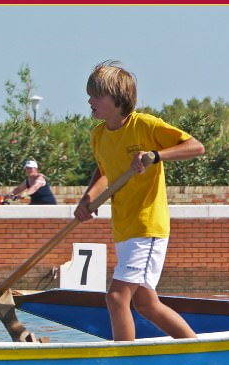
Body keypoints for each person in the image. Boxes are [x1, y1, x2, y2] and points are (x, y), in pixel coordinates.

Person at [74, 60, 204, 342]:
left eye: (96, 96)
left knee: (116, 297)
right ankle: (195, 349)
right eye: (89, 95)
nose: (90, 101)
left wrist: (155, 155)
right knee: (146, 303)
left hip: (147, 227)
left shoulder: (145, 125)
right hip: (124, 228)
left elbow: (196, 147)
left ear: (117, 99)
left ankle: (124, 360)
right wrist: (88, 199)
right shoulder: (98, 135)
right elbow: (105, 172)